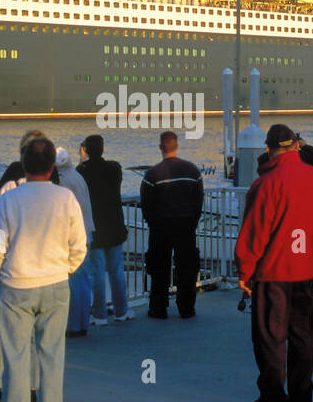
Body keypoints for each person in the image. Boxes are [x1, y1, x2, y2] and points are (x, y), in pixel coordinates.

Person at [0, 137, 85, 402]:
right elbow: (79, 244)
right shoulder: (65, 198)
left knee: (16, 356)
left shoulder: (9, 199)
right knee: (52, 353)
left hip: (16, 284)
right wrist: (66, 268)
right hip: (55, 283)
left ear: (23, 165)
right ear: (52, 166)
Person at [234, 125, 313, 402]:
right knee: (303, 334)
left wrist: (244, 271)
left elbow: (255, 233)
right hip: (305, 269)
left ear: (268, 149)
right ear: (295, 146)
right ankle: (302, 394)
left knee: (270, 337)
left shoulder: (266, 183)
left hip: (274, 272)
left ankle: (273, 399)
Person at [140, 131, 203, 319]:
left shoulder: (152, 174)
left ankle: (158, 308)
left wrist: (153, 224)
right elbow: (198, 200)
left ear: (161, 147)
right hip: (186, 225)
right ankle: (187, 308)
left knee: (159, 268)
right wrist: (193, 222)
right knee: (187, 268)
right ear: (177, 146)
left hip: (160, 227)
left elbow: (146, 204)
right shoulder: (192, 171)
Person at [76, 134, 130, 324]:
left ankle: (99, 313)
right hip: (114, 225)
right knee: (116, 270)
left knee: (97, 272)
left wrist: (83, 160)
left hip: (95, 227)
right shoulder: (114, 168)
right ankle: (121, 310)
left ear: (86, 150)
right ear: (103, 149)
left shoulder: (82, 170)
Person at [55, 147, 94, 337]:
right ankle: (83, 323)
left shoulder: (63, 182)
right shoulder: (78, 176)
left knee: (73, 283)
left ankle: (73, 325)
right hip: (87, 232)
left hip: (73, 237)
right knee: (84, 281)